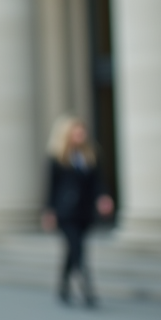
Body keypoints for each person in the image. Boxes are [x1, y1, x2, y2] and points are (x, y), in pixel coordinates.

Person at [41, 116, 114, 307]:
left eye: (82, 131)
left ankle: (63, 287)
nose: (81, 135)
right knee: (78, 250)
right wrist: (49, 212)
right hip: (65, 212)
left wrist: (103, 197)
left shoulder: (90, 155)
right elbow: (51, 187)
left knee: (72, 250)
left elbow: (97, 182)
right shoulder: (57, 157)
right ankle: (88, 291)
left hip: (85, 212)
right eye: (77, 131)